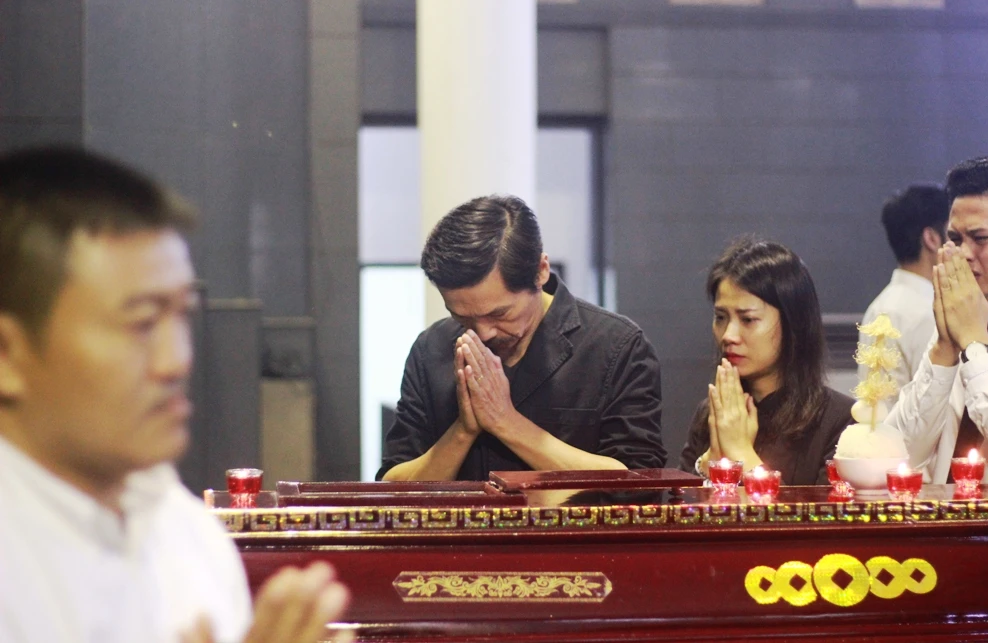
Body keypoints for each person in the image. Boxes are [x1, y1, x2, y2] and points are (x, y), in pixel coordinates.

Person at [0, 147, 349, 643]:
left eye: (182, 315)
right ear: (8, 354)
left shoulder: (186, 532)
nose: (177, 360)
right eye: (142, 323)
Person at [377, 194, 666, 482]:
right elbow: (393, 484)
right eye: (462, 317)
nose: (483, 333)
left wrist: (506, 422)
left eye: (499, 314)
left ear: (541, 272)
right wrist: (463, 431)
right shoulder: (431, 348)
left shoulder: (615, 346)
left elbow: (639, 482)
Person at [678, 239, 853, 485]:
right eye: (720, 317)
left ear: (793, 323)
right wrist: (709, 462)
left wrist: (740, 452)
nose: (728, 335)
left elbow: (821, 511)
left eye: (748, 319)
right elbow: (675, 505)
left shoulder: (841, 422)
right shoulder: (714, 413)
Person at [886, 156, 988, 483]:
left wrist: (975, 346)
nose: (963, 254)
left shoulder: (973, 334)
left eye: (980, 238)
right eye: (956, 239)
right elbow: (898, 455)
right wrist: (944, 348)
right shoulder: (963, 326)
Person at [859, 185, 949, 407]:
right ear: (932, 238)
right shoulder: (928, 312)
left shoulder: (880, 305)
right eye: (955, 234)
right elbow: (936, 407)